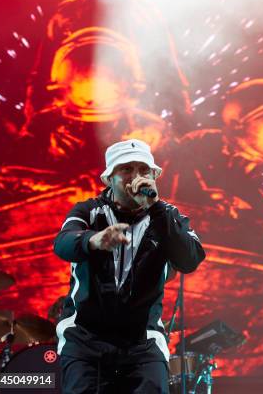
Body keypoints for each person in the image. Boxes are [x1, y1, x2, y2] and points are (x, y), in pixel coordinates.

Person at [54, 139, 205, 393]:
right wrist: (93, 240)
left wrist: (155, 208)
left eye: (144, 170)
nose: (137, 178)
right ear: (108, 178)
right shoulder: (89, 211)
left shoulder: (168, 217)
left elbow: (190, 259)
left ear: (154, 176)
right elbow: (62, 243)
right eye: (126, 169)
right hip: (85, 341)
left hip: (142, 343)